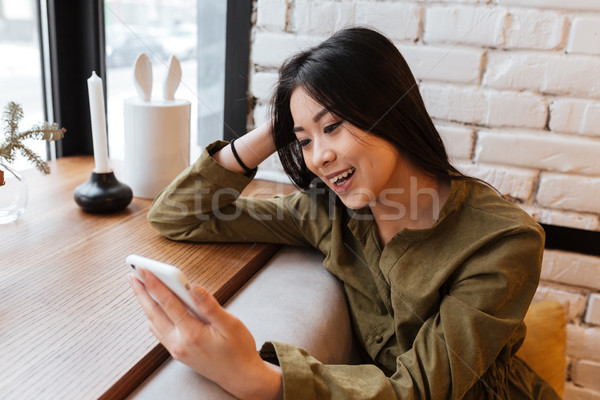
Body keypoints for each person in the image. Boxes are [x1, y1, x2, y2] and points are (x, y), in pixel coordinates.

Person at [129, 27, 560, 399]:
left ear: (389, 111)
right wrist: (279, 126)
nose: (320, 157)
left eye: (332, 127)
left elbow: (424, 390)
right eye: (305, 142)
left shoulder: (503, 240)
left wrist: (258, 378)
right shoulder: (327, 212)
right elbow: (176, 215)